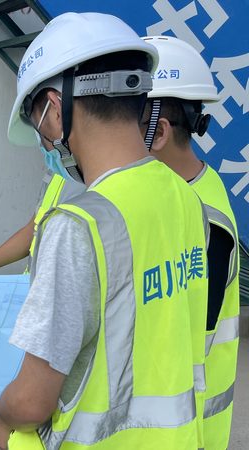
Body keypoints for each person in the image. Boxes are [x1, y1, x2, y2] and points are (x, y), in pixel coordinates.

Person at [0, 13, 209, 449]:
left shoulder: (79, 225)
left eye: (37, 125)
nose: (45, 142)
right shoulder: (185, 197)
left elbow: (30, 402)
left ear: (54, 110)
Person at [141, 35, 240, 450]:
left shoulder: (207, 222)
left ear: (158, 131)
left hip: (187, 430)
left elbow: (183, 341)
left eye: (121, 119)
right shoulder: (169, 189)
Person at [0, 135, 85, 277]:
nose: (42, 142)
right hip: (36, 285)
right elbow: (33, 230)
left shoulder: (92, 178)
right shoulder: (58, 170)